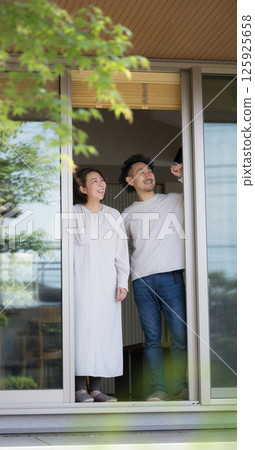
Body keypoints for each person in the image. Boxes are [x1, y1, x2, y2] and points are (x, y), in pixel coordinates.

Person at [119, 154, 188, 401]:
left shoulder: (174, 200)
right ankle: (158, 388)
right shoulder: (126, 214)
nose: (148, 174)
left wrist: (183, 177)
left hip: (172, 279)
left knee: (181, 337)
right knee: (152, 341)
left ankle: (181, 388)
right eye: (141, 171)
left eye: (150, 170)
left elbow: (198, 194)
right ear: (130, 181)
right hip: (142, 282)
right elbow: (118, 250)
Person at [72, 167, 129, 402]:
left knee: (105, 333)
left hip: (107, 284)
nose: (101, 184)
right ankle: (78, 388)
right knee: (80, 333)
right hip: (80, 284)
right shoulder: (72, 213)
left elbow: (121, 252)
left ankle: (95, 388)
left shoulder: (114, 215)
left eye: (103, 180)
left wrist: (122, 281)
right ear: (83, 189)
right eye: (94, 181)